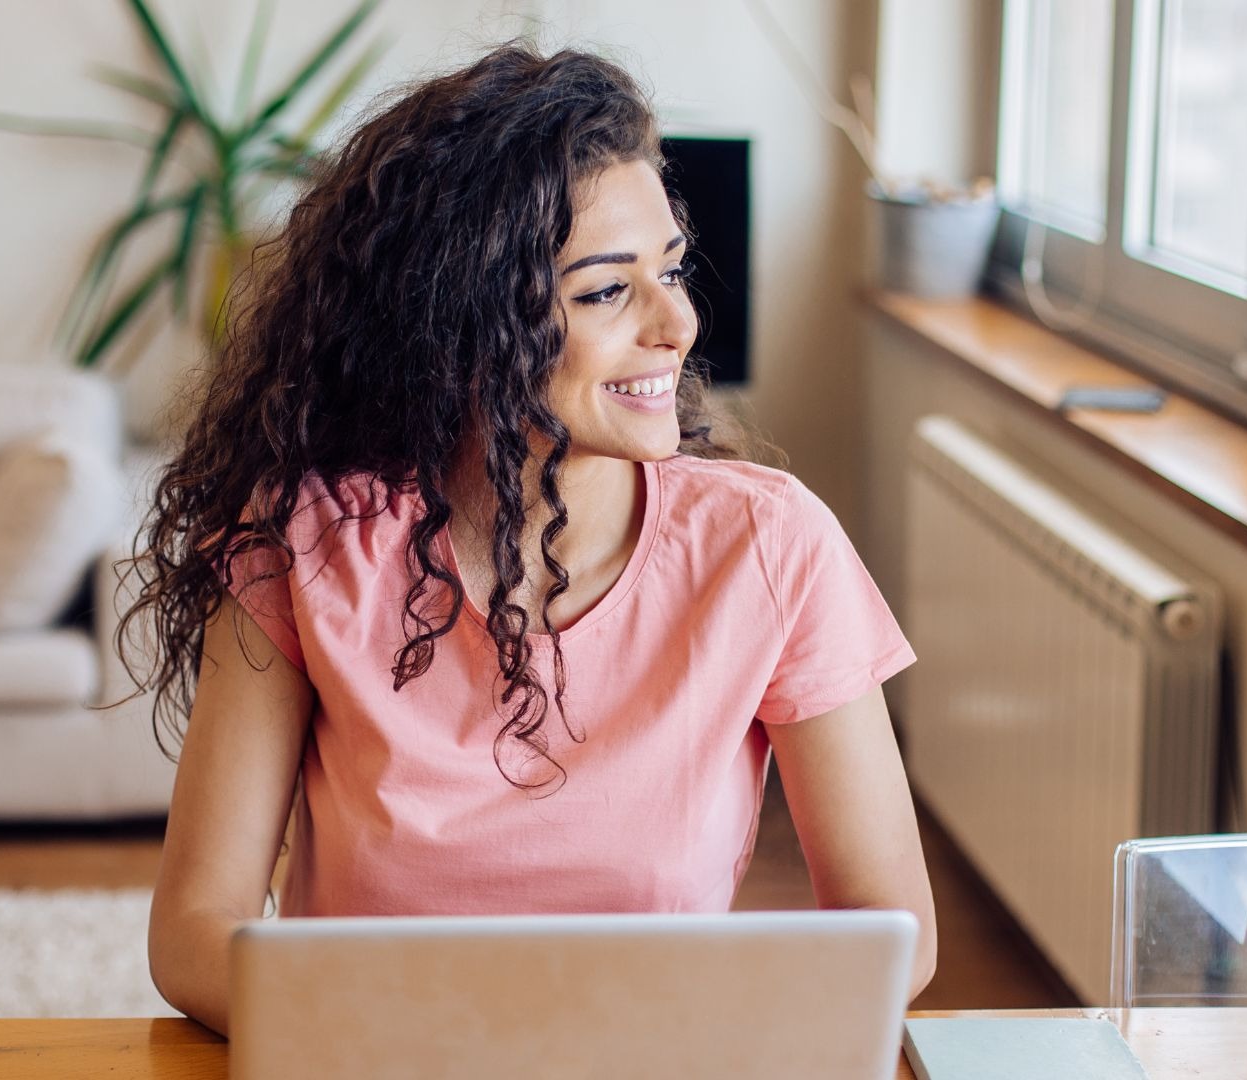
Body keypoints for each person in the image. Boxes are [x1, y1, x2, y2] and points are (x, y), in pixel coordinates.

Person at [120, 42, 936, 1036]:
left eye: (671, 270)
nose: (676, 322)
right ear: (464, 319)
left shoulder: (771, 547)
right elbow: (194, 934)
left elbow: (893, 932)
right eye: (605, 291)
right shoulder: (305, 543)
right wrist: (440, 1031)